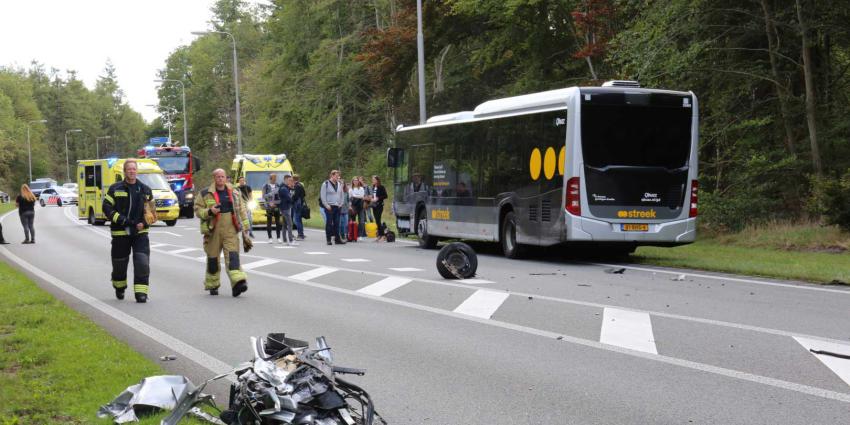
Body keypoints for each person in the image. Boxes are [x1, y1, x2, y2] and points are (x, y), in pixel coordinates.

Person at [102, 159, 155, 303]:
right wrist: (123, 220)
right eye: (129, 169)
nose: (132, 171)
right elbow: (107, 208)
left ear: (137, 171)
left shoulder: (145, 190)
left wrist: (144, 223)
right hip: (120, 233)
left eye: (134, 169)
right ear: (124, 171)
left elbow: (152, 213)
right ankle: (119, 287)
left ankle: (141, 293)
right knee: (119, 265)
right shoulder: (115, 189)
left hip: (140, 234)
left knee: (142, 263)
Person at [195, 168, 251, 297]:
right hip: (213, 230)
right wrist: (210, 211)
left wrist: (246, 226)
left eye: (222, 176)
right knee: (213, 259)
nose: (220, 179)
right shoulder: (204, 193)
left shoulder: (235, 191)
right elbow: (198, 211)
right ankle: (212, 285)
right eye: (218, 177)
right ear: (214, 178)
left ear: (226, 178)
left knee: (233, 257)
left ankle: (238, 284)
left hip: (230, 228)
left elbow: (242, 209)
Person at [319, 170, 345, 245]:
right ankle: (328, 239)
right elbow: (322, 196)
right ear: (332, 175)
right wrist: (326, 205)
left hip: (337, 206)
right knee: (329, 223)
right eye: (336, 176)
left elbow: (342, 194)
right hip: (329, 206)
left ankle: (337, 239)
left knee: (337, 223)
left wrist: (341, 203)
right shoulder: (325, 184)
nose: (337, 177)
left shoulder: (339, 184)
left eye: (338, 176)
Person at [277, 175, 297, 245]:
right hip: (285, 208)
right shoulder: (284, 189)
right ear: (285, 180)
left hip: (284, 207)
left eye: (291, 180)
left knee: (284, 224)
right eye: (289, 180)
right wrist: (292, 196)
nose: (291, 182)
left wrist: (292, 188)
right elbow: (289, 198)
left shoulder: (284, 187)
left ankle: (285, 241)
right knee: (290, 224)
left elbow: (290, 193)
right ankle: (291, 240)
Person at [262, 174, 282, 242]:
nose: (275, 179)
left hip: (276, 205)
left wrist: (277, 203)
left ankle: (278, 237)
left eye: (276, 178)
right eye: (274, 178)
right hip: (269, 206)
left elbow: (280, 196)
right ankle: (270, 238)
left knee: (278, 222)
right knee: (269, 222)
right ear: (270, 178)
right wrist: (270, 201)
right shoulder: (265, 186)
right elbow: (264, 196)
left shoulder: (278, 185)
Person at [370, 175, 388, 241]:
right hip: (374, 205)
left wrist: (378, 198)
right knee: (376, 221)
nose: (373, 181)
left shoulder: (381, 187)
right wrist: (371, 198)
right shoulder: (373, 187)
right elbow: (373, 195)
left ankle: (383, 235)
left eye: (374, 180)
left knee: (378, 220)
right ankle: (379, 235)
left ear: (377, 180)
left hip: (379, 205)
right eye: (372, 180)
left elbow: (385, 196)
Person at [291, 174, 306, 240]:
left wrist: (291, 199)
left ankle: (300, 235)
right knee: (299, 219)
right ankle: (301, 233)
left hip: (297, 205)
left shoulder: (296, 186)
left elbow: (295, 196)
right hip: (300, 204)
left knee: (296, 220)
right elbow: (304, 194)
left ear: (293, 179)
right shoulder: (301, 185)